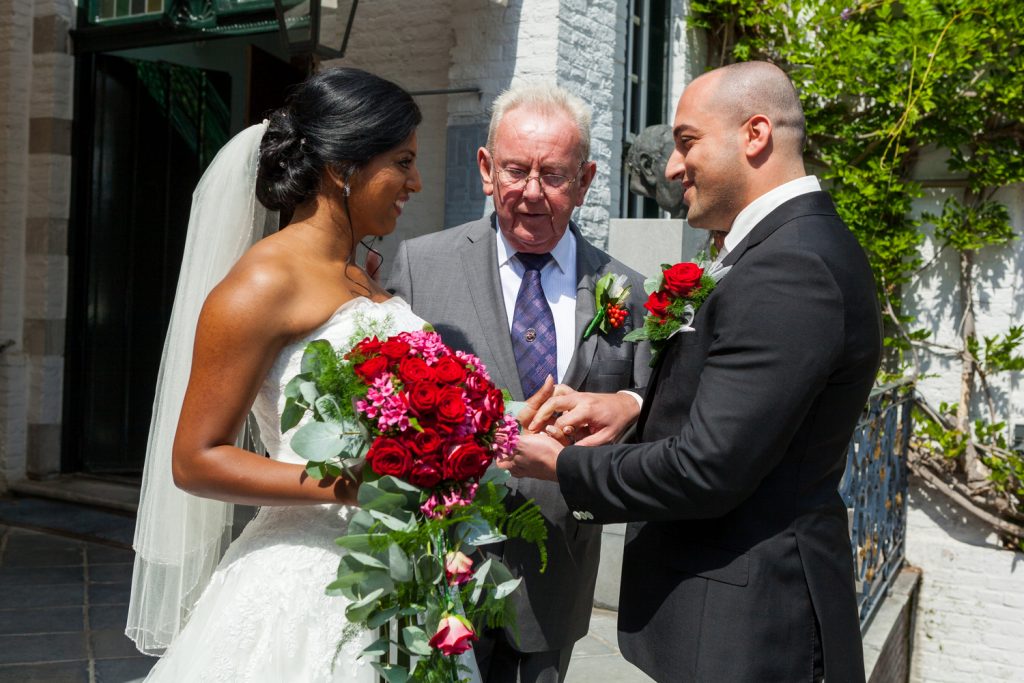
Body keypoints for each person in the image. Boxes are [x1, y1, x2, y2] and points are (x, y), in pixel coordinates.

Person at [505, 61, 880, 683]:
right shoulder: (772, 248)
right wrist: (631, 404)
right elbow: (740, 400)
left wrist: (560, 465)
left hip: (753, 623)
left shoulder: (790, 267)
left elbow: (708, 467)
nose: (673, 167)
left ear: (755, 134)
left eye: (687, 142)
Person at [126, 67, 440, 682]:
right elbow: (194, 460)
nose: (416, 182)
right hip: (305, 580)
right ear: (342, 166)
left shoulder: (358, 274)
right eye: (402, 162)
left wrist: (493, 422)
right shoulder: (264, 281)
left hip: (393, 571)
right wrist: (350, 485)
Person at [387, 83, 651, 683]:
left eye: (554, 175)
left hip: (555, 574)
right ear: (486, 169)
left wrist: (630, 402)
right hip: (439, 570)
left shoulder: (628, 290)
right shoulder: (421, 267)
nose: (532, 192)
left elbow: (655, 410)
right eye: (515, 170)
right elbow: (386, 410)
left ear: (584, 181)